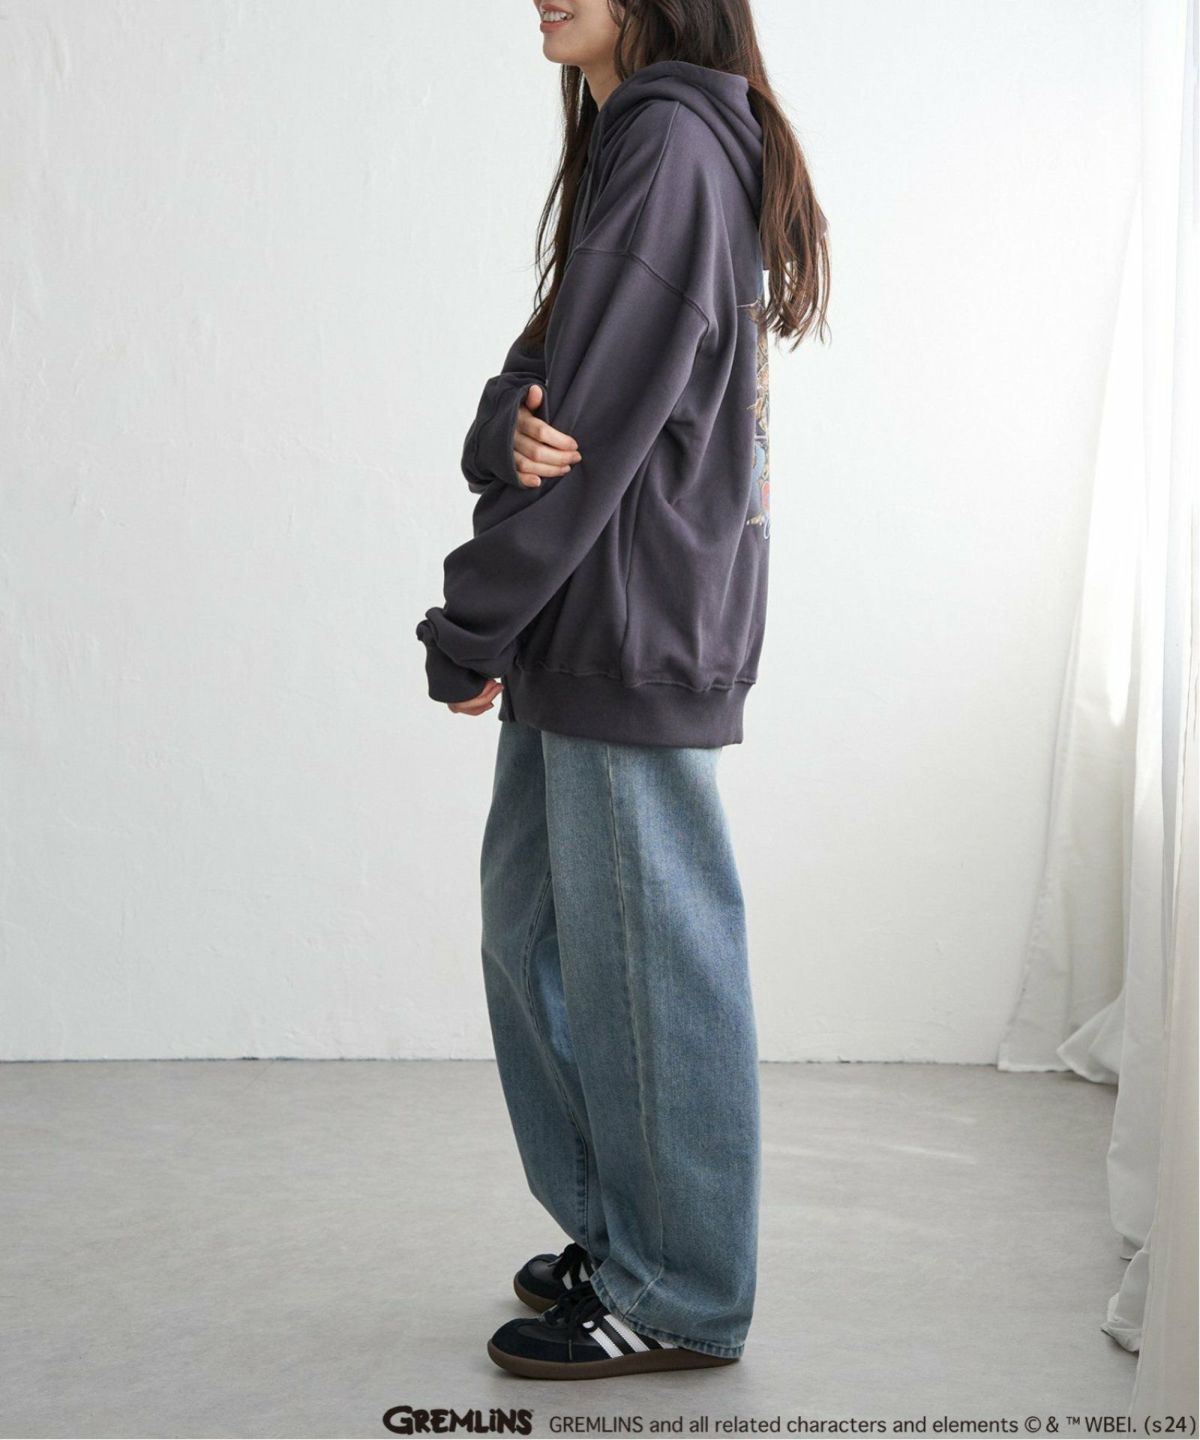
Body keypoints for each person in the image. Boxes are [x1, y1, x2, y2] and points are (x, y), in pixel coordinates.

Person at [416, 0, 829, 1380]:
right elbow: (548, 388)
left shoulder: (671, 142)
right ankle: (624, 1230)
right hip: (592, 615)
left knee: (654, 967)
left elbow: (587, 437)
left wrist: (472, 621)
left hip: (623, 618)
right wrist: (501, 424)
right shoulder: (641, 140)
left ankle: (684, 1290)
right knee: (532, 937)